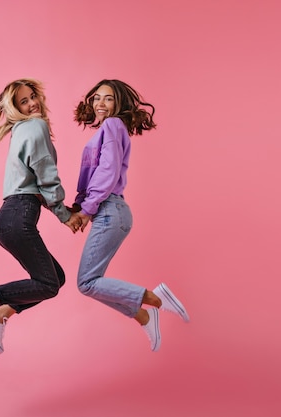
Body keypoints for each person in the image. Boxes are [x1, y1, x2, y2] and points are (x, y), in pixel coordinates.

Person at [0, 78, 81, 354]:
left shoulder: (22, 130)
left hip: (9, 218)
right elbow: (46, 176)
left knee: (56, 278)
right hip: (19, 216)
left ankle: (0, 314)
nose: (32, 104)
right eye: (23, 102)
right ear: (15, 109)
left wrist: (65, 211)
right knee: (49, 284)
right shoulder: (35, 126)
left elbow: (38, 185)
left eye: (32, 97)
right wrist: (65, 216)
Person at [70, 79, 190, 352]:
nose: (100, 103)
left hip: (109, 209)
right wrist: (79, 208)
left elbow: (107, 172)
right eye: (97, 98)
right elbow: (96, 175)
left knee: (87, 282)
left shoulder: (112, 125)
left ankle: (154, 299)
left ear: (119, 104)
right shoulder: (108, 129)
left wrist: (87, 210)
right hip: (112, 211)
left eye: (108, 98)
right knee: (90, 282)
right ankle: (143, 315)